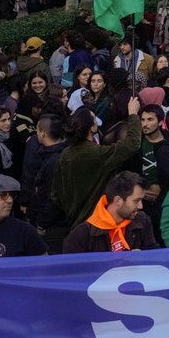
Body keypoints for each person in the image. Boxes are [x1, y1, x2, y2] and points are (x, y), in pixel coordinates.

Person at [41, 103, 142, 251]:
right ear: (92, 127)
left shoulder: (65, 155)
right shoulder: (98, 154)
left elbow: (56, 194)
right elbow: (132, 144)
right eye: (94, 119)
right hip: (98, 225)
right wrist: (133, 115)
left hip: (75, 223)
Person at [62, 171, 158, 253]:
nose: (141, 206)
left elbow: (154, 253)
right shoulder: (81, 235)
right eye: (136, 201)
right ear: (118, 201)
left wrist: (144, 258)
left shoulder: (142, 220)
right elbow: (71, 271)